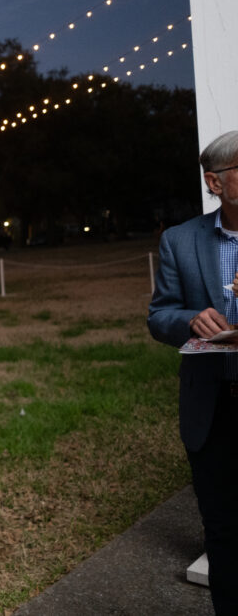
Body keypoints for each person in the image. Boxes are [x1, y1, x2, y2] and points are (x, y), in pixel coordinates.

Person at [148, 130, 238, 614]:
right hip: (213, 406)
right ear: (215, 182)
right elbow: (159, 317)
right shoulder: (180, 240)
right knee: (223, 530)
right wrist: (189, 320)